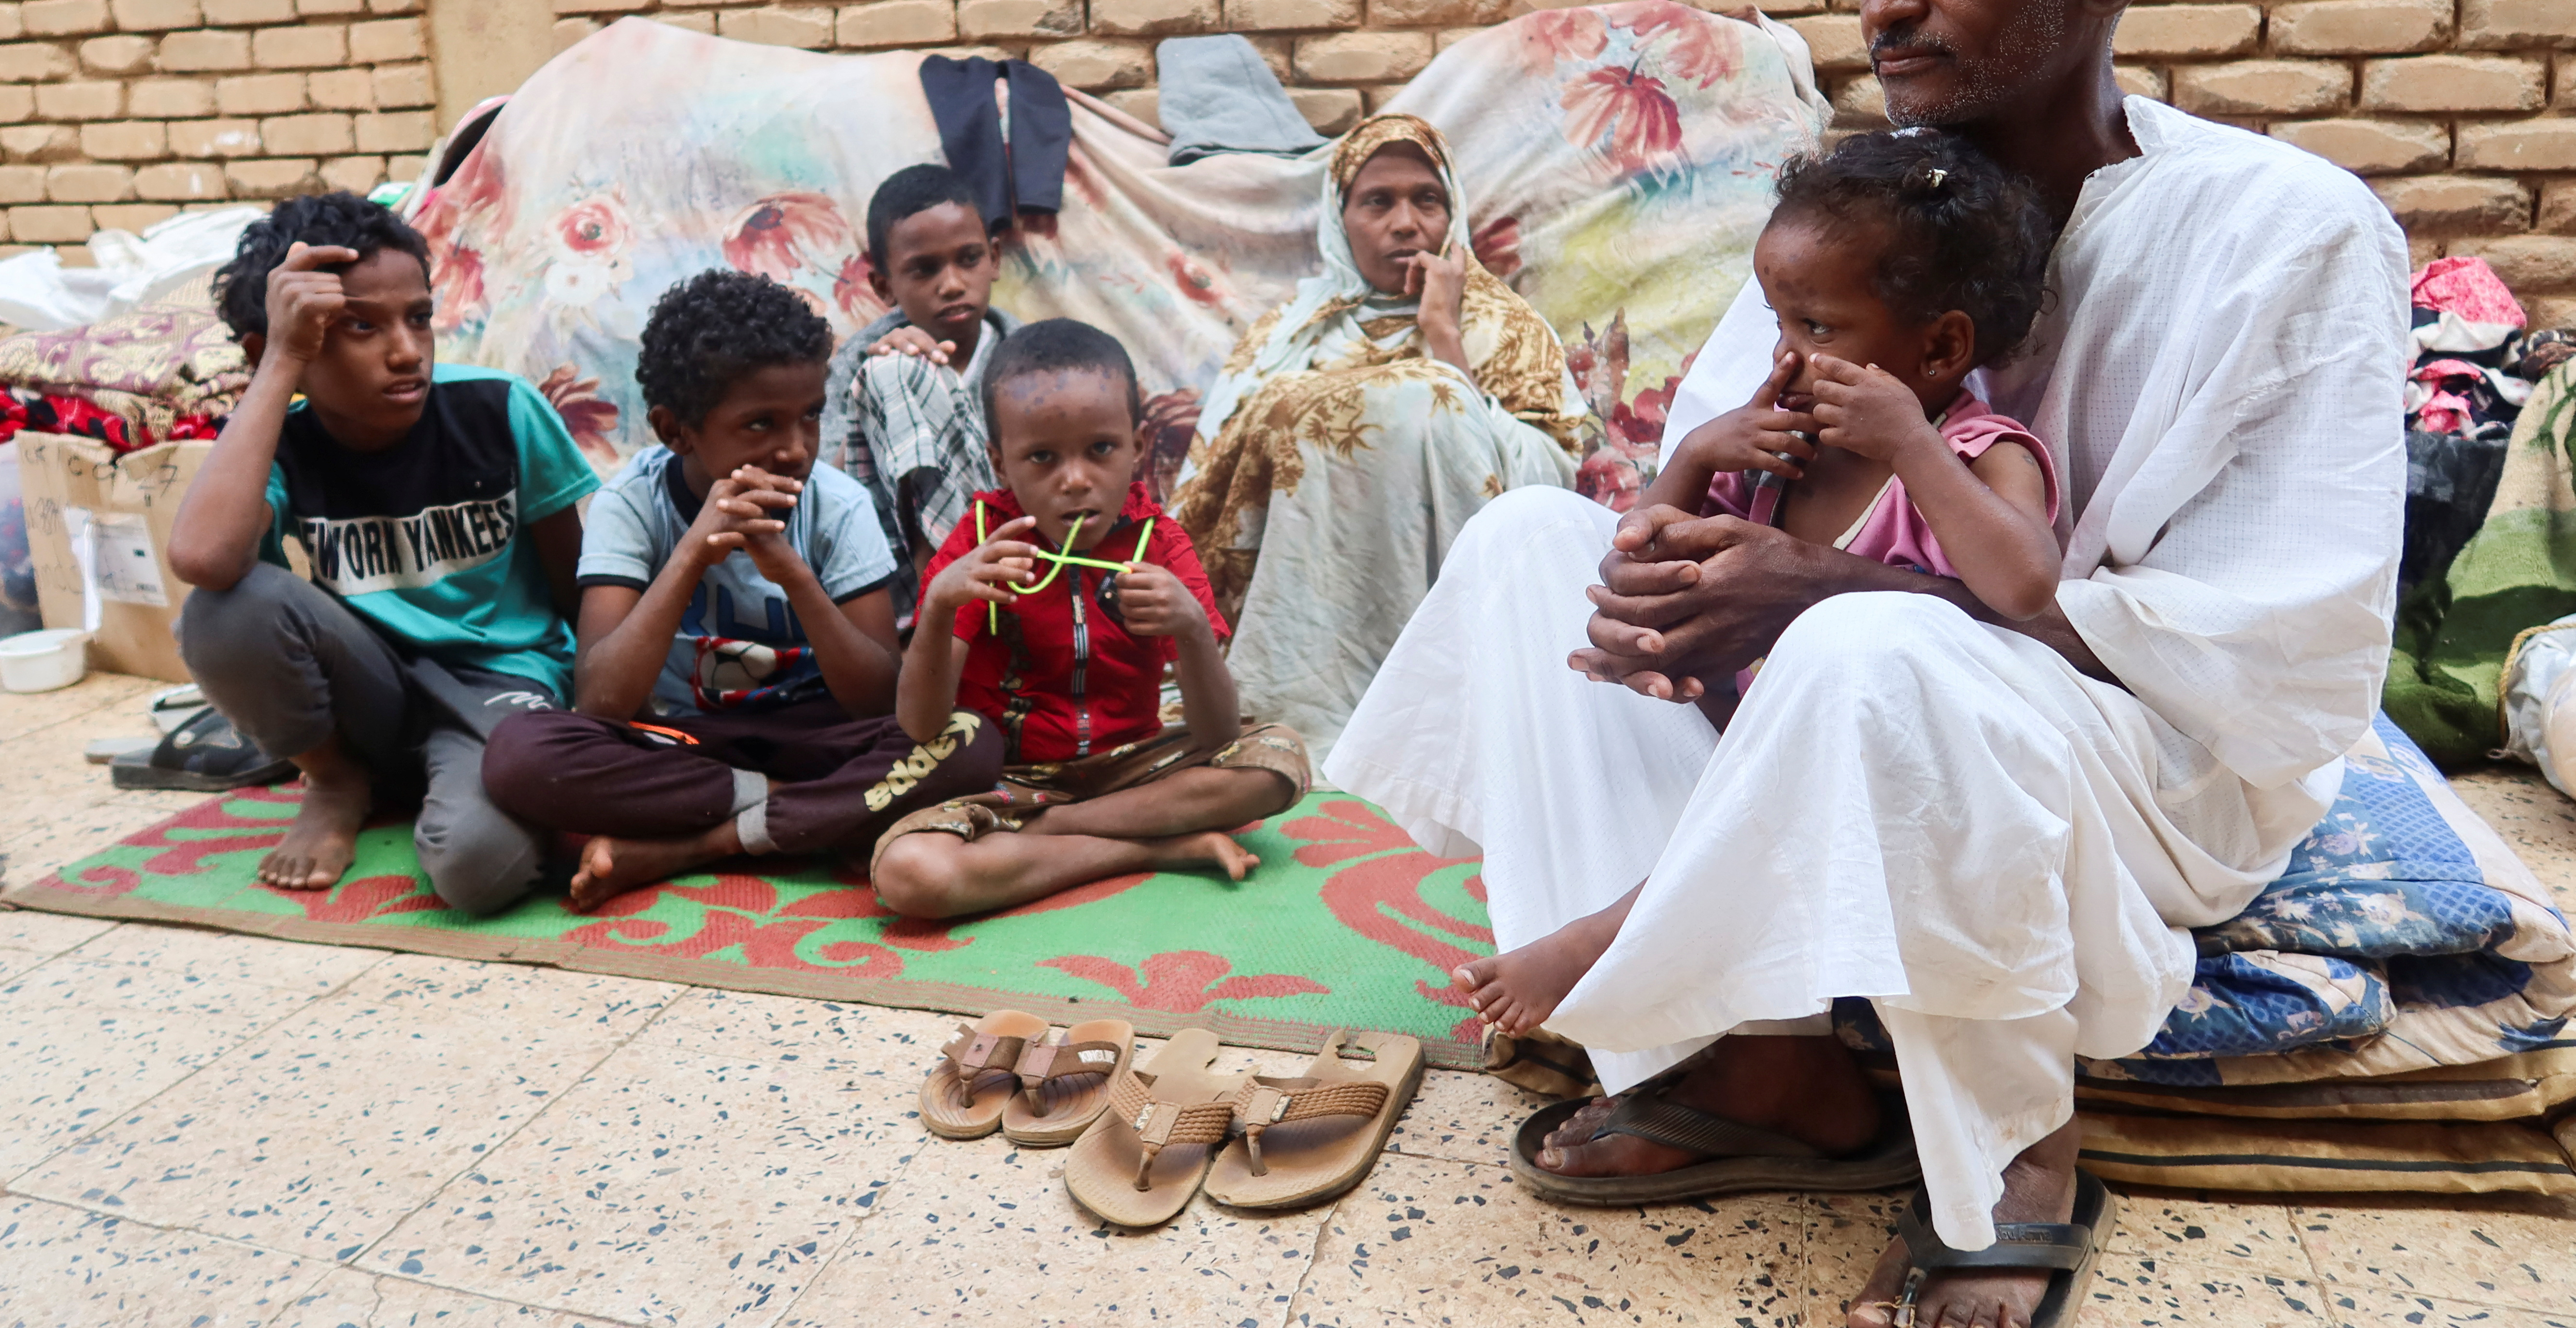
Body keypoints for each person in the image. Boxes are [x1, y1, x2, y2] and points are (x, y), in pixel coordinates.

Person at [1325, 0, 2410, 1328]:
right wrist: (1663, 571)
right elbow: (1724, 467)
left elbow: (2275, 658)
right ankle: (1748, 1056)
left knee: (1870, 633)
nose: (1886, 0)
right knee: (1527, 542)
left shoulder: (2284, 232)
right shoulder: (1858, 216)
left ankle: (2013, 1159)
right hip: (1829, 704)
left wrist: (1818, 588)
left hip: (2130, 769)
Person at [1455, 127, 2064, 1039]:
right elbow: (1636, 562)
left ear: (1938, 350)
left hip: (1893, 785)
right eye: (1777, 322)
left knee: (1781, 779)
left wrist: (1910, 442)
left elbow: (2023, 585)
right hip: (1744, 743)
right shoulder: (1782, 455)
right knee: (1571, 623)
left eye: (1816, 328)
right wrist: (1700, 451)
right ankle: (1658, 985)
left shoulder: (1978, 455)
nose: (1781, 357)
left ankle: (1606, 937)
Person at [482, 272, 999, 911]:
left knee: (971, 740)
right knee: (519, 754)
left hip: (823, 742)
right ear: (677, 431)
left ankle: (700, 845)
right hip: (688, 747)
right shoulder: (634, 504)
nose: (795, 449)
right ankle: (804, 816)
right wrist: (695, 551)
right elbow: (603, 700)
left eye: (810, 415)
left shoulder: (837, 506)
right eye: (760, 425)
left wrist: (796, 579)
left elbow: (875, 700)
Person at [168, 193, 600, 913]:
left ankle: (438, 778)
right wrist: (280, 363)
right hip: (373, 688)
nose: (406, 350)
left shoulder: (500, 409)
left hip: (502, 685)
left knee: (478, 871)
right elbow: (205, 560)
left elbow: (575, 591)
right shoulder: (282, 439)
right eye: (360, 326)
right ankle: (336, 779)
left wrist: (588, 730)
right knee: (224, 608)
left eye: (420, 318)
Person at [1168, 113, 1591, 746]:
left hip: (1448, 599)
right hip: (1307, 622)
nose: (1406, 224)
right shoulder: (1285, 338)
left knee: (1433, 395)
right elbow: (1214, 484)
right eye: (1377, 203)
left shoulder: (1502, 328)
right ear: (1339, 222)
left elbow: (1546, 485)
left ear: (1453, 213)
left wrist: (1445, 338)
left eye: (1427, 200)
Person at [869, 318, 1310, 920]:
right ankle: (1143, 850)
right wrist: (943, 604)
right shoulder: (978, 547)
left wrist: (1192, 631)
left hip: (1130, 770)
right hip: (1009, 780)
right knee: (911, 875)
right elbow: (921, 726)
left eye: (1100, 449)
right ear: (1001, 464)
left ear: (1138, 445)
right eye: (1042, 458)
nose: (1075, 480)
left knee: (1278, 760)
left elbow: (1217, 736)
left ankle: (1057, 833)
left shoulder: (1159, 543)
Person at [824, 165, 1020, 619]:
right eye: (924, 269)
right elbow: (831, 495)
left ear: (994, 258)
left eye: (968, 259)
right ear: (883, 286)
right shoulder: (859, 363)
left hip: (1016, 560)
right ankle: (940, 617)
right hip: (894, 582)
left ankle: (969, 620)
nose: (951, 284)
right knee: (893, 377)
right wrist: (874, 390)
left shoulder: (1030, 359)